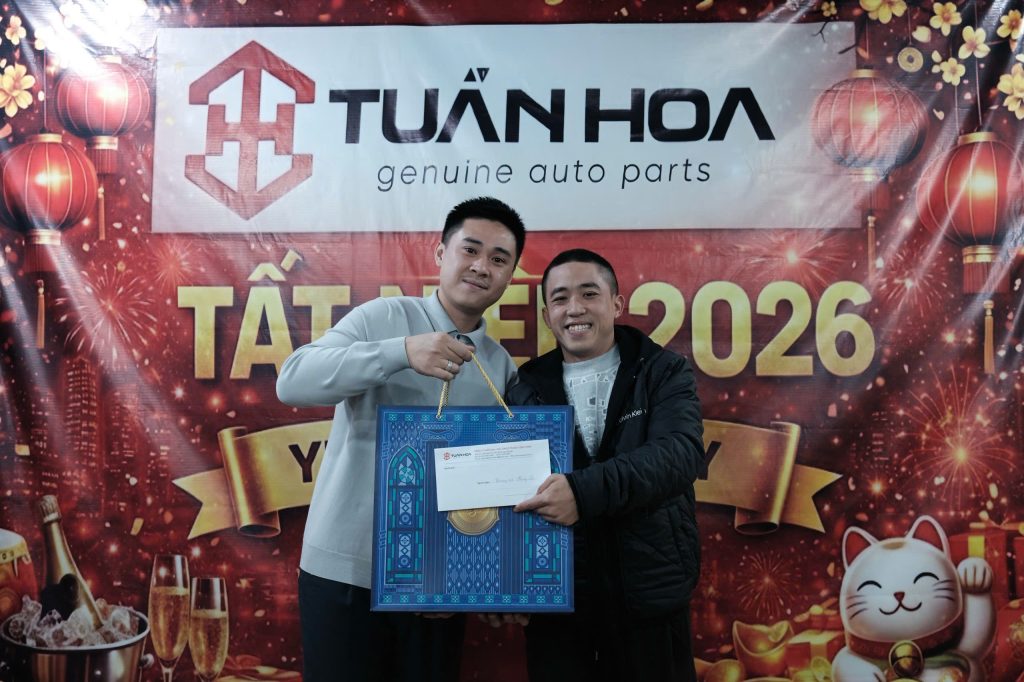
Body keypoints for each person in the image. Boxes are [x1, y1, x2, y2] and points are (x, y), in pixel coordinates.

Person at [276, 197, 527, 682]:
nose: (482, 267)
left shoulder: (500, 367)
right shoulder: (384, 318)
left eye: (499, 259)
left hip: (435, 587)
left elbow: (492, 489)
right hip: (345, 573)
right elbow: (293, 381)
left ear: (510, 275)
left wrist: (471, 577)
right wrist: (401, 353)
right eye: (470, 250)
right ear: (441, 253)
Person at [509, 248, 705, 682]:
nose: (574, 308)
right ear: (546, 316)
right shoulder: (524, 386)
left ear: (616, 304)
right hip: (557, 607)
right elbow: (508, 490)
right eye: (560, 298)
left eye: (589, 294)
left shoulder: (663, 371)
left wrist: (582, 494)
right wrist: (503, 585)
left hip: (650, 599)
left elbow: (680, 454)